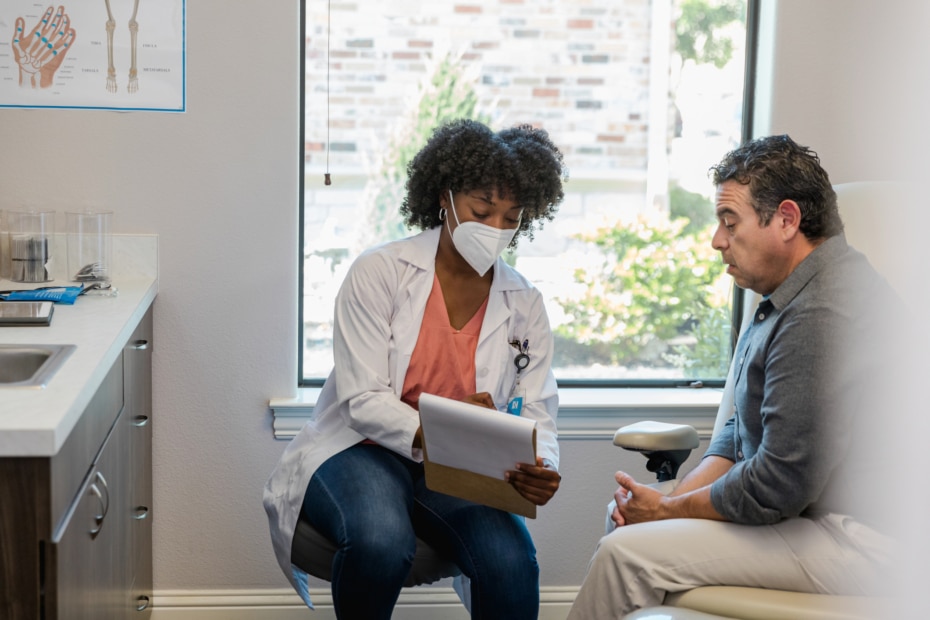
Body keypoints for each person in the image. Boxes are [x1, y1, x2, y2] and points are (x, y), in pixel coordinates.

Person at [567, 134, 901, 619]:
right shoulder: (787, 293)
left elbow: (778, 485)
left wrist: (665, 512)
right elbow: (738, 431)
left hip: (867, 540)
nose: (717, 240)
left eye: (730, 222)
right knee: (626, 520)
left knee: (627, 553)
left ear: (786, 219)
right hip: (815, 513)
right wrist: (670, 499)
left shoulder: (821, 311)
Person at [264, 118, 567, 619]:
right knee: (381, 541)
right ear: (445, 197)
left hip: (455, 464)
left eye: (511, 218)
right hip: (361, 448)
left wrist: (544, 466)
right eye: (482, 210)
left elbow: (538, 408)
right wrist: (445, 430)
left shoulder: (523, 302)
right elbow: (361, 400)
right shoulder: (381, 272)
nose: (495, 230)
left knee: (513, 561)